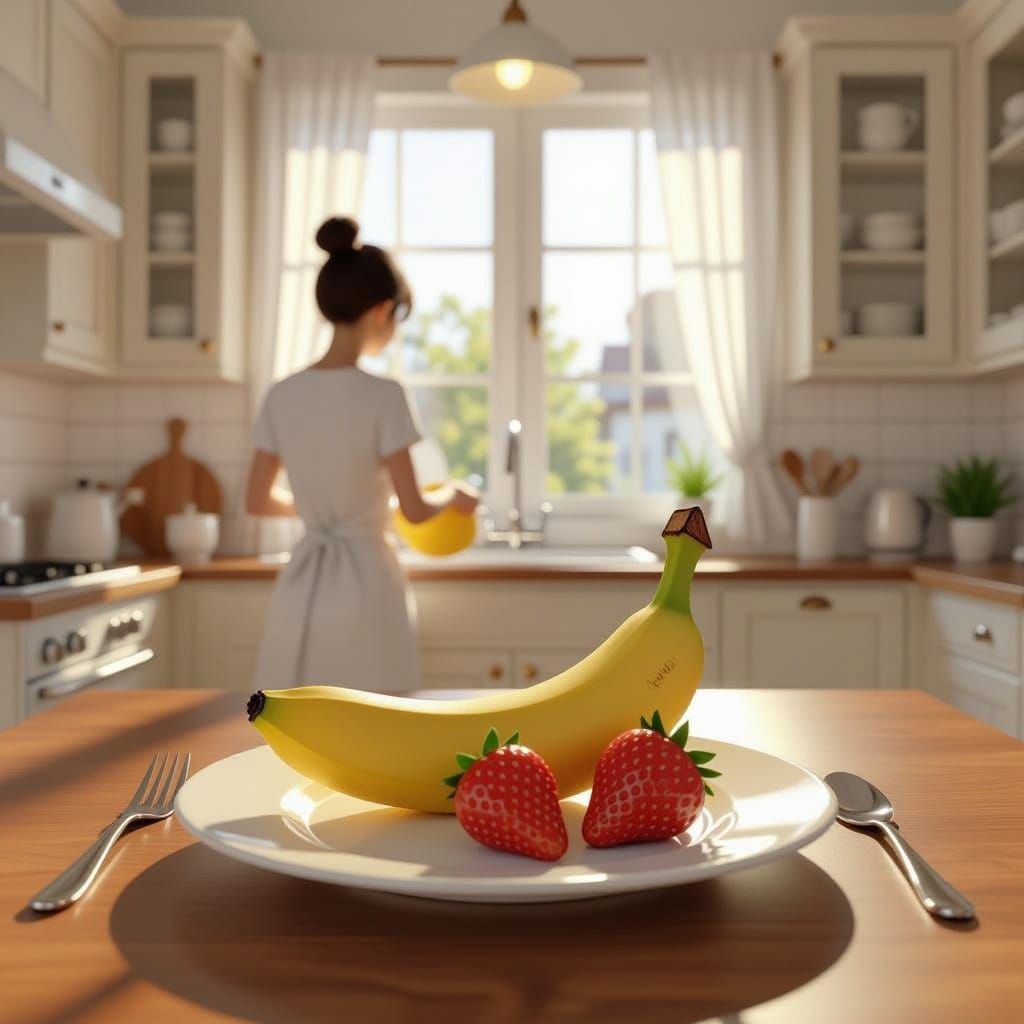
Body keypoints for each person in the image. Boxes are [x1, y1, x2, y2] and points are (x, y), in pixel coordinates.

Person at [246, 216, 479, 691]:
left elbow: (256, 501)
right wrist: (454, 495)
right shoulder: (385, 395)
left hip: (303, 585)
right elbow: (414, 509)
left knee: (304, 712)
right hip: (369, 585)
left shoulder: (282, 394)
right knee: (375, 714)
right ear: (382, 311)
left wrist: (319, 510)